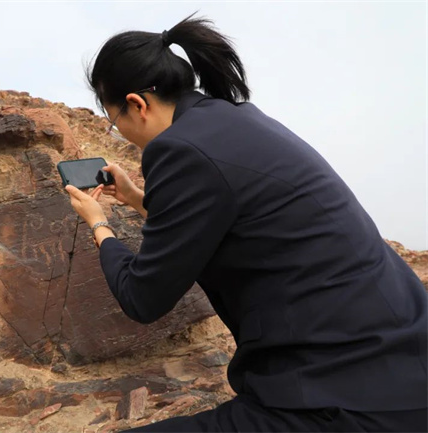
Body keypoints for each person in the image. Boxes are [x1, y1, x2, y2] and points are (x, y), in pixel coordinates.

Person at [65, 14, 427, 433]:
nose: (121, 133)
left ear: (138, 104)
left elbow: (142, 297)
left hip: (340, 397)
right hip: (399, 367)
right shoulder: (234, 119)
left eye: (114, 123)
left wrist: (100, 226)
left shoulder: (179, 150)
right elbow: (224, 222)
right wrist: (136, 199)